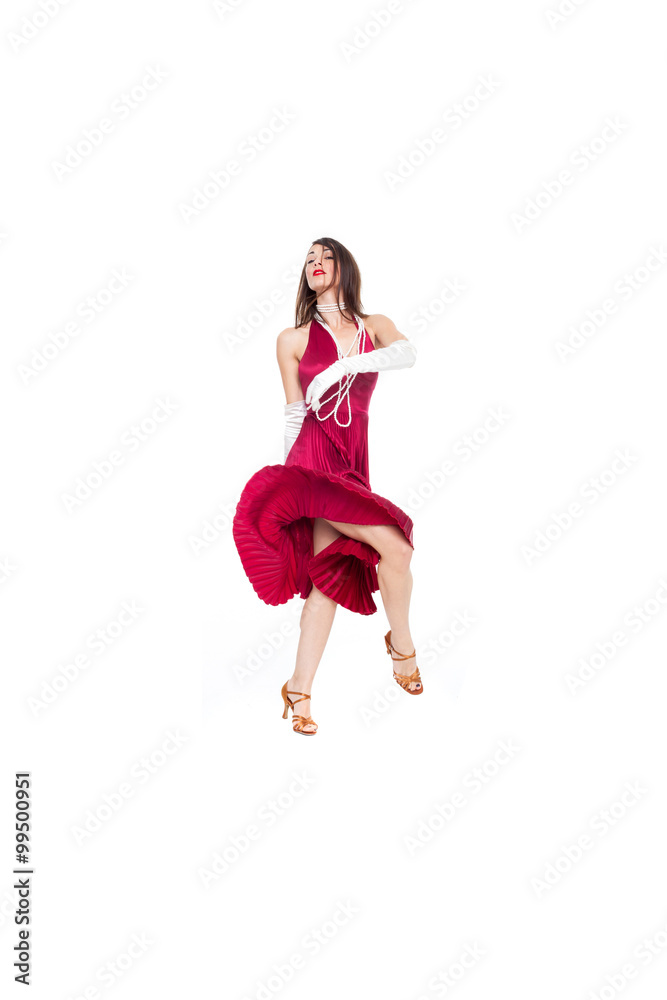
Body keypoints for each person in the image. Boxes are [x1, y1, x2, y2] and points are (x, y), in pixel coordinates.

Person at [232, 237, 422, 735]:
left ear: (344, 267)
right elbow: (296, 411)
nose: (316, 263)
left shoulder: (373, 327)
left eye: (326, 256)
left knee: (326, 585)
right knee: (395, 550)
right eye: (309, 259)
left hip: (354, 462)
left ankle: (298, 689)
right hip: (314, 461)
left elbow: (408, 354)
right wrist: (288, 480)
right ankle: (402, 649)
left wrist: (345, 365)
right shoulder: (291, 339)